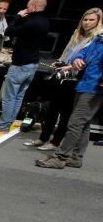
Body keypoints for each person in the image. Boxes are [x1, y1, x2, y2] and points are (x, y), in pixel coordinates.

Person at [26, 8, 102, 150]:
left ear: (98, 22)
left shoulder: (97, 38)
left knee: (66, 113)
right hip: (63, 75)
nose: (87, 22)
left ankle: (55, 142)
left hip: (78, 79)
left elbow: (89, 60)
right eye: (85, 19)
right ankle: (43, 138)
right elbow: (68, 52)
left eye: (91, 20)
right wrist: (61, 62)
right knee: (52, 109)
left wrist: (71, 67)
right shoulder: (77, 34)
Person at [36, 32, 103, 168]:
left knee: (75, 123)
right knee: (83, 124)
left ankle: (60, 158)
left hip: (95, 88)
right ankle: (76, 158)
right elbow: (83, 51)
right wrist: (78, 58)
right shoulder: (98, 39)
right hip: (84, 84)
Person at [0, 0, 49, 133]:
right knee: (19, 96)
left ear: (33, 7)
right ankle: (7, 124)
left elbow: (8, 31)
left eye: (27, 7)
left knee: (9, 97)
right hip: (32, 64)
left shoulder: (32, 22)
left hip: (21, 64)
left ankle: (3, 125)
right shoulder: (45, 21)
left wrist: (18, 16)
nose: (26, 9)